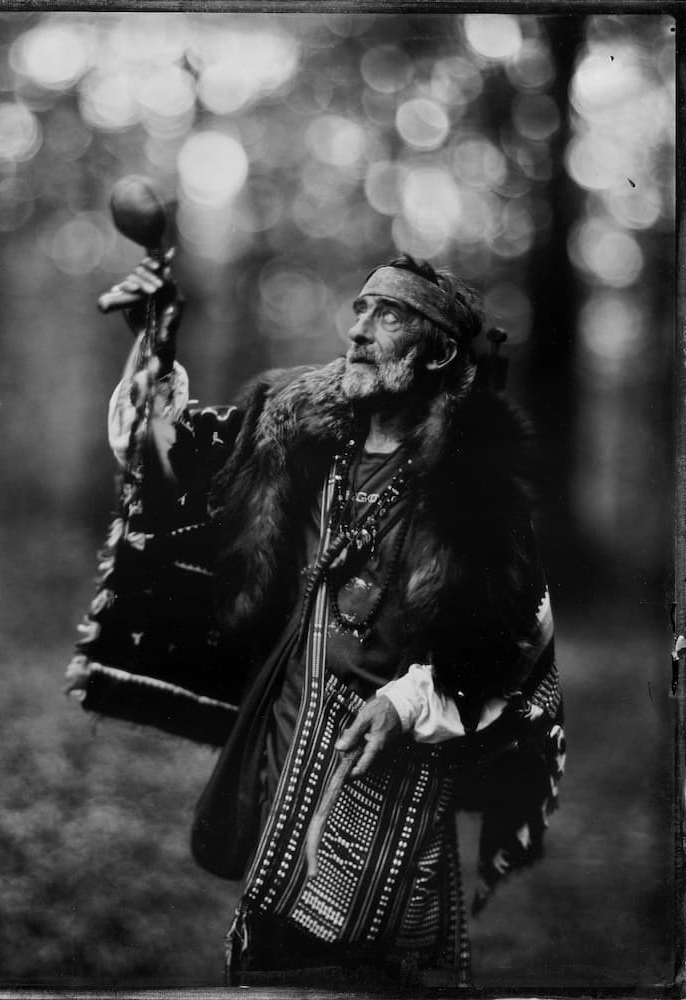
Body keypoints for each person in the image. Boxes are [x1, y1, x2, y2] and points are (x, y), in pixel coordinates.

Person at [70, 254, 565, 988]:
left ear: (438, 353)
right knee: (273, 966)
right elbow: (163, 456)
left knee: (370, 975)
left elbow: (517, 641)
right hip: (285, 744)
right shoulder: (298, 433)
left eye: (388, 316)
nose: (358, 330)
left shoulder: (476, 485)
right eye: (360, 310)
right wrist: (155, 345)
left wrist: (407, 701)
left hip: (389, 777)